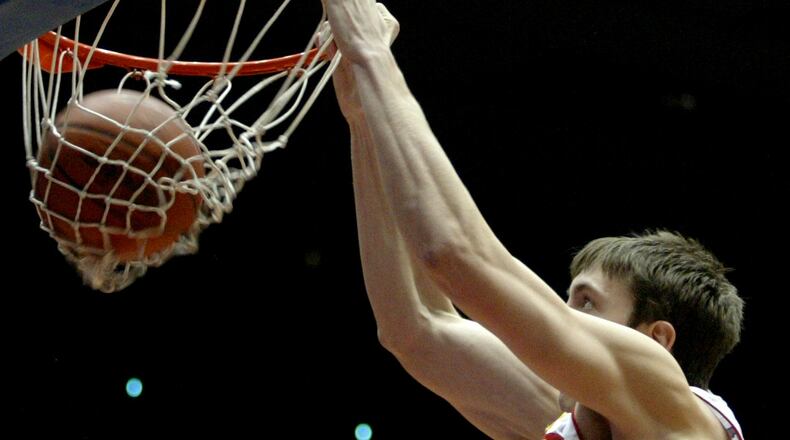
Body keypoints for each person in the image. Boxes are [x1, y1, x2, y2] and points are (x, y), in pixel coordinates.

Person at [320, 1, 745, 438]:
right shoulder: (587, 417)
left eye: (587, 303)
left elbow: (454, 254)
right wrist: (364, 117)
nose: (560, 315)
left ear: (656, 342)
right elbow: (417, 329)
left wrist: (372, 53)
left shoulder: (677, 416)